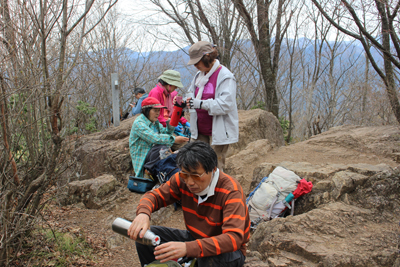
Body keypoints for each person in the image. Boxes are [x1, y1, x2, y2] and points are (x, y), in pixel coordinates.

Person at [128, 141, 250, 267]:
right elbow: (154, 196)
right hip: (194, 238)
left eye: (196, 176)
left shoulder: (230, 191)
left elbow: (233, 238)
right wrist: (143, 213)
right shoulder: (182, 179)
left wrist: (188, 248)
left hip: (229, 252)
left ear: (213, 170)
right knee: (145, 237)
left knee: (206, 259)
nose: (190, 182)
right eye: (185, 174)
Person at [186, 41, 239, 172]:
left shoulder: (225, 76)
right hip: (200, 129)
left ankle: (218, 191)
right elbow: (190, 92)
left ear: (207, 58)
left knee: (215, 166)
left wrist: (202, 104)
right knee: (198, 164)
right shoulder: (199, 76)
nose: (195, 65)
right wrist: (186, 101)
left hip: (218, 130)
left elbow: (226, 104)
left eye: (197, 62)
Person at [129, 97, 188, 178]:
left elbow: (166, 133)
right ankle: (149, 171)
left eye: (158, 111)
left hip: (154, 154)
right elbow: (155, 138)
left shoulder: (154, 122)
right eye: (155, 110)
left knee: (173, 150)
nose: (158, 113)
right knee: (161, 148)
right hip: (146, 158)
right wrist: (174, 139)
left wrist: (171, 123)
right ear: (146, 110)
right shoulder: (139, 123)